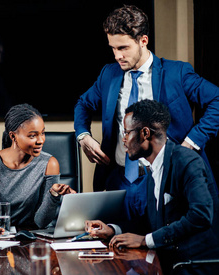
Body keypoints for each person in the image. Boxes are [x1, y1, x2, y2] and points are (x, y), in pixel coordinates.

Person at [74, 5, 219, 220]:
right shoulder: (109, 74)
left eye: (123, 48)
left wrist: (191, 142)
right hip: (119, 180)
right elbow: (83, 104)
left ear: (143, 40)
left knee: (160, 248)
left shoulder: (177, 73)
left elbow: (216, 98)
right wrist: (83, 136)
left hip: (165, 182)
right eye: (112, 48)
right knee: (118, 245)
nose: (117, 56)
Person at [85, 100, 219, 275]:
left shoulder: (186, 161)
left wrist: (145, 240)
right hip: (166, 268)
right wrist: (112, 229)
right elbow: (149, 220)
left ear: (145, 133)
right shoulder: (152, 168)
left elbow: (200, 216)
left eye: (127, 132)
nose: (123, 140)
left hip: (192, 271)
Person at [0, 104, 76, 235]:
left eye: (42, 133)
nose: (41, 140)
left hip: (37, 239)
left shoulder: (50, 164)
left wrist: (53, 195)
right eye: (32, 136)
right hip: (3, 237)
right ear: (13, 136)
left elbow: (41, 222)